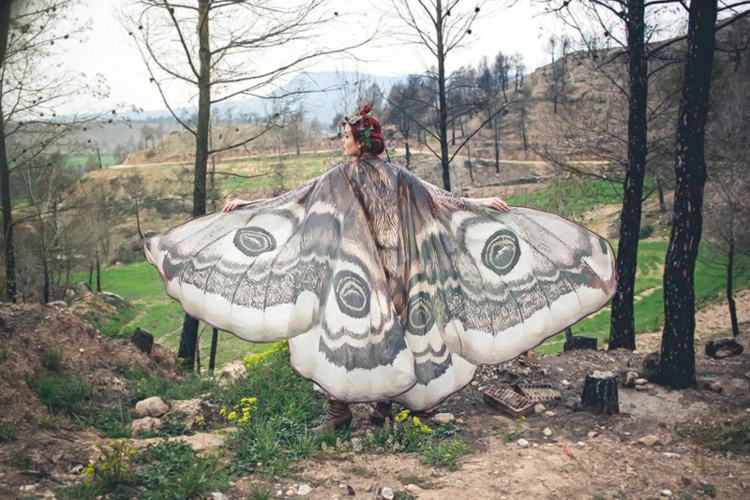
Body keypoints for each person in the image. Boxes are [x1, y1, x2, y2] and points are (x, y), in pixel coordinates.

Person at [143, 104, 617, 432]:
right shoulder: (364, 176)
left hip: (391, 269)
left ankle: (371, 406)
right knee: (357, 330)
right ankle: (351, 408)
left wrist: (482, 205)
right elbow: (299, 199)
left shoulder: (376, 176)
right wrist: (252, 203)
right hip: (374, 268)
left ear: (359, 141)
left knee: (373, 331)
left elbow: (437, 199)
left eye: (345, 136)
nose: (341, 142)